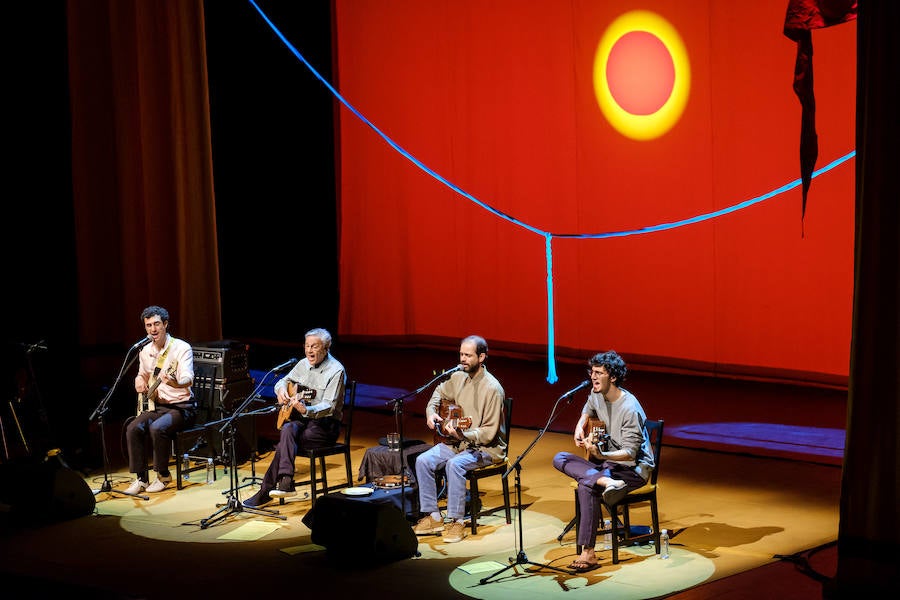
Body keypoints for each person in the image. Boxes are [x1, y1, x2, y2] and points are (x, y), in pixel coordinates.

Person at [552, 350, 655, 572]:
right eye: (592, 372)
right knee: (559, 457)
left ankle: (587, 552)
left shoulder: (630, 407)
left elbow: (630, 453)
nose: (593, 377)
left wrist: (601, 456)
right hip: (608, 468)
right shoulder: (596, 393)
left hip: (632, 470)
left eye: (599, 373)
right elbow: (587, 411)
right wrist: (580, 426)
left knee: (585, 484)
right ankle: (605, 483)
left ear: (613, 377)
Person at [412, 335, 507, 543]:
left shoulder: (492, 388)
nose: (463, 359)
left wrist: (464, 434)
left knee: (454, 465)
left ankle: (457, 520)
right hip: (460, 443)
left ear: (481, 357)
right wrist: (431, 412)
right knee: (423, 460)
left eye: (468, 355)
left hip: (486, 449)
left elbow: (489, 433)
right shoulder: (458, 377)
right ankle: (433, 516)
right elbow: (437, 393)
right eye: (461, 354)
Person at [242, 328, 347, 508]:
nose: (309, 350)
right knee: (288, 429)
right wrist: (281, 390)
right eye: (307, 346)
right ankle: (285, 481)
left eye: (314, 346)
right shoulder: (302, 364)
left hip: (325, 426)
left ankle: (268, 490)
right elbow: (283, 381)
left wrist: (307, 410)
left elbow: (329, 405)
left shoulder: (336, 370)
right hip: (304, 423)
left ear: (326, 348)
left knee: (286, 442)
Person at [124, 306, 196, 494]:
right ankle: (141, 478)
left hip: (181, 407)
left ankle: (163, 475)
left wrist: (175, 382)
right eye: (148, 325)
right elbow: (141, 374)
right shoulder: (144, 350)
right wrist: (138, 381)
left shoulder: (181, 348)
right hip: (157, 405)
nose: (153, 329)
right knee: (133, 427)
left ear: (165, 324)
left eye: (156, 324)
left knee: (157, 428)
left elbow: (188, 378)